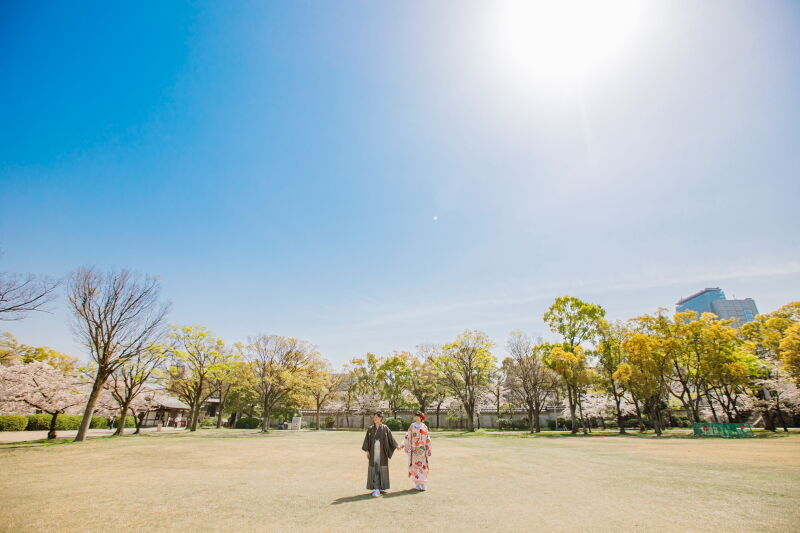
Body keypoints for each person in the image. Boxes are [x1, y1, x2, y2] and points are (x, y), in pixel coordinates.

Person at [361, 411, 399, 497]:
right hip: (373, 452)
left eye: (376, 417)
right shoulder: (370, 429)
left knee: (381, 469)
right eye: (374, 417)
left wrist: (397, 446)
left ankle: (379, 488)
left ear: (380, 418)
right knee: (375, 469)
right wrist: (367, 451)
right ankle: (376, 488)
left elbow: (391, 439)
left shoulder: (385, 428)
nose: (375, 419)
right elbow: (367, 441)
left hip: (382, 453)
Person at [401, 411, 432, 491]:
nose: (416, 418)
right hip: (414, 450)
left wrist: (429, 448)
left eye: (418, 416)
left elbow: (427, 438)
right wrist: (403, 444)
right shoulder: (412, 426)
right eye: (415, 416)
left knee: (423, 466)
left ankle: (423, 484)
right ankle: (417, 484)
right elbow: (407, 436)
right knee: (415, 467)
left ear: (421, 418)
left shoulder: (424, 426)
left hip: (422, 450)